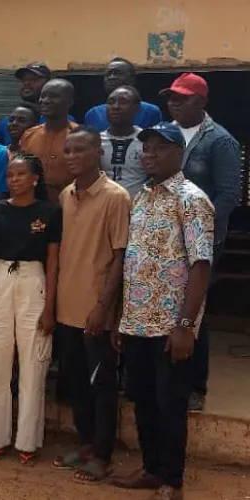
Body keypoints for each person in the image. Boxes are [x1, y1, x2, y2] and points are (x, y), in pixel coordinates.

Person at [110, 123, 214, 500]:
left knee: (170, 404)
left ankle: (172, 481)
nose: (150, 154)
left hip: (171, 327)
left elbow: (200, 265)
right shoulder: (141, 197)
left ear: (179, 152)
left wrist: (185, 325)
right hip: (137, 321)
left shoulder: (191, 199)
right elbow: (133, 261)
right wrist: (121, 319)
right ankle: (151, 469)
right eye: (146, 148)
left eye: (160, 147)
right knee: (142, 399)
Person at [51, 125, 130, 484]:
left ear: (98, 152)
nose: (71, 157)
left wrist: (103, 306)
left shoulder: (116, 197)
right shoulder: (66, 194)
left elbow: (120, 256)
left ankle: (102, 454)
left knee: (102, 386)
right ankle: (85, 444)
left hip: (96, 311)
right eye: (68, 151)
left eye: (79, 150)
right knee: (77, 383)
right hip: (66, 308)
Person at [161, 73, 241, 413]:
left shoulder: (220, 141)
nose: (175, 103)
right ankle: (167, 377)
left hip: (202, 240)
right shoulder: (163, 133)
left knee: (194, 309)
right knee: (166, 304)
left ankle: (196, 386)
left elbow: (229, 195)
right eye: (172, 98)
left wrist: (200, 231)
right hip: (163, 237)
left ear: (202, 102)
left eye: (183, 97)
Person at [0, 153, 60, 466]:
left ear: (35, 178)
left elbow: (53, 262)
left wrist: (49, 307)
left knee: (33, 362)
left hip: (33, 281)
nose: (14, 179)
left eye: (21, 174)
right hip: (0, 280)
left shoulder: (50, 212)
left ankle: (27, 440)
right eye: (10, 174)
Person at [20, 78, 77, 203]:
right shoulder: (29, 136)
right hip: (34, 208)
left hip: (70, 206)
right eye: (43, 96)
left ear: (69, 102)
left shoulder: (79, 137)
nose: (45, 100)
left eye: (53, 96)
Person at [84, 58, 162, 132]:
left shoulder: (150, 112)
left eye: (117, 73)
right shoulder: (93, 114)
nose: (112, 77)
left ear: (132, 79)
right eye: (108, 74)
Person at [101, 86, 145, 198]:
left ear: (137, 108)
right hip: (104, 205)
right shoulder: (96, 141)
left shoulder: (146, 140)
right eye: (111, 102)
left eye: (123, 102)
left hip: (138, 206)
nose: (115, 107)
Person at [0, 63, 53, 146]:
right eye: (23, 80)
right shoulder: (6, 124)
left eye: (33, 79)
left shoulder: (59, 121)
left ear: (48, 84)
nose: (26, 83)